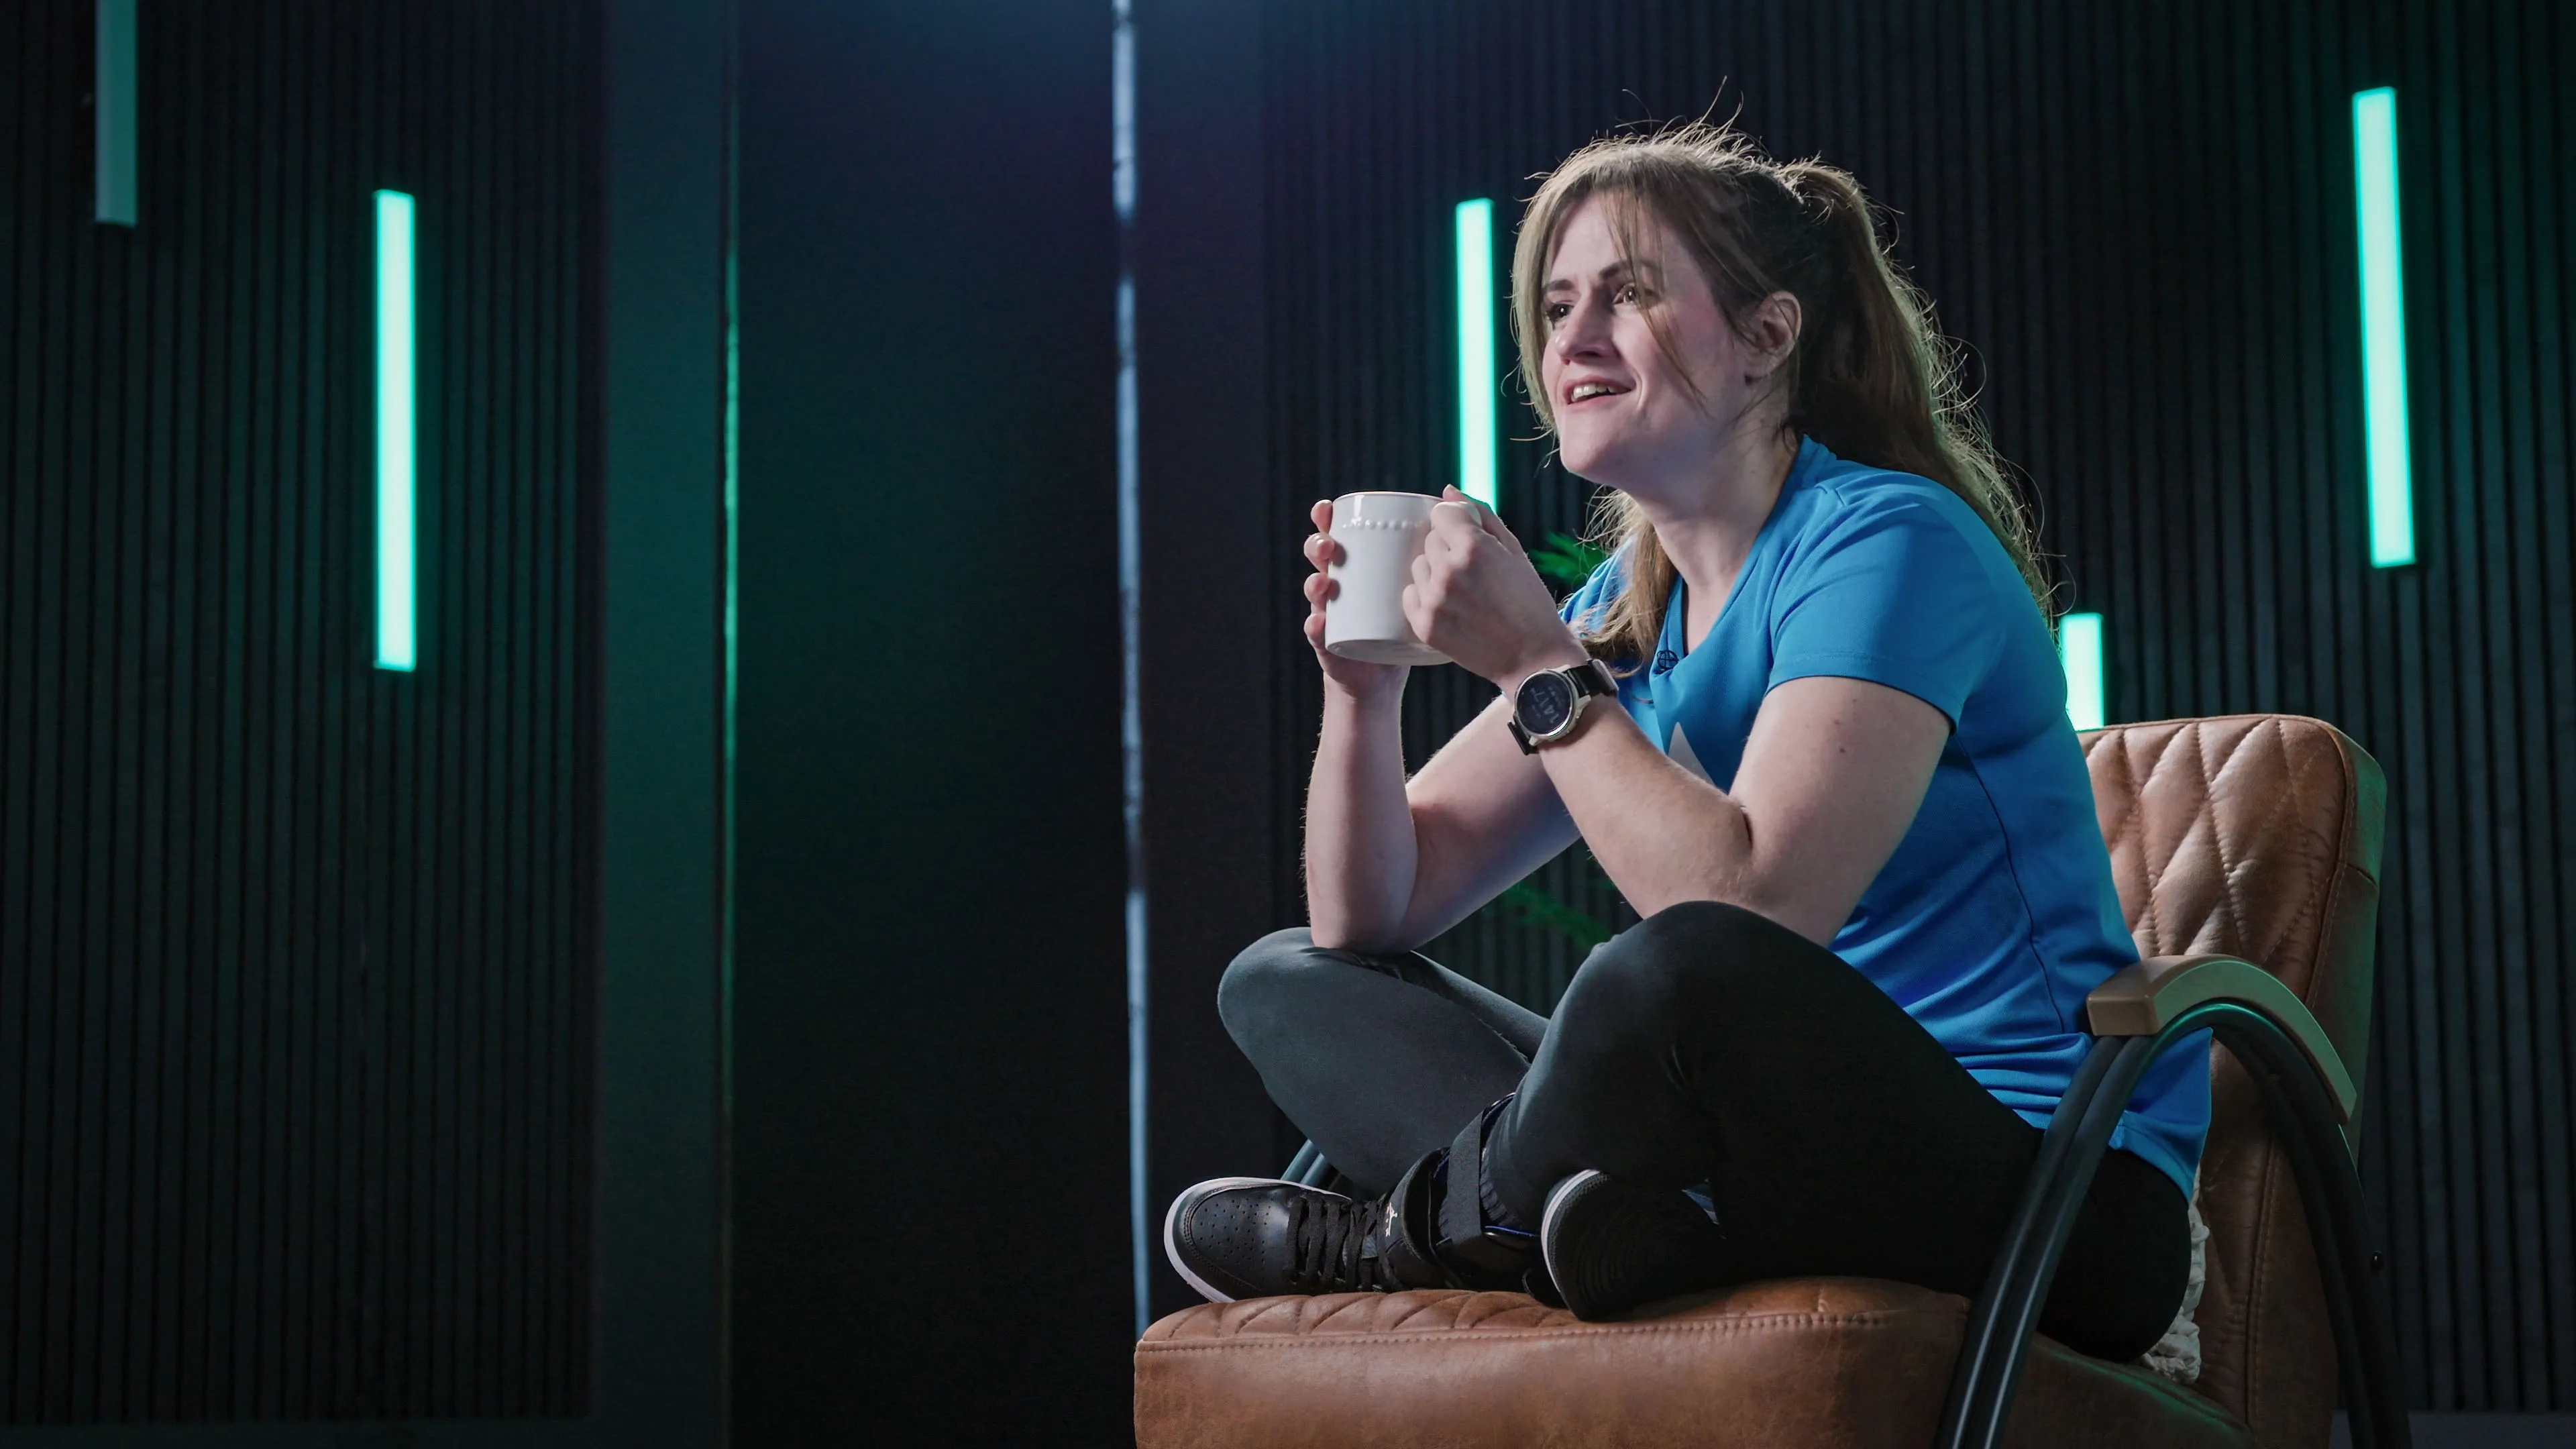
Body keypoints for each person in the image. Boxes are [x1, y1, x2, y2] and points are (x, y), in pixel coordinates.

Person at [1162, 121, 2206, 1362]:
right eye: (1555, 307)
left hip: (2050, 1190)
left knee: (1669, 973)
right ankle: (1604, 1225)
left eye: (1631, 292)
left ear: (1769, 337)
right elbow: (1368, 916)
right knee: (1286, 977)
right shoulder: (1628, 604)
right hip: (1761, 1174)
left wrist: (1538, 667)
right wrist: (1362, 691)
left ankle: (1405, 1236)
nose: (1574, 339)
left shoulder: (1887, 542)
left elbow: (1754, 914)